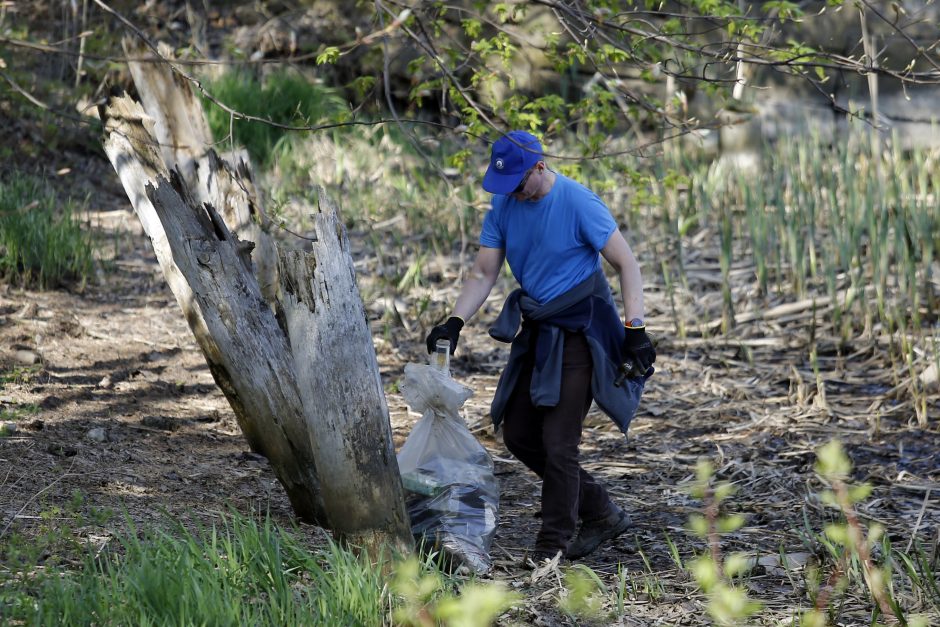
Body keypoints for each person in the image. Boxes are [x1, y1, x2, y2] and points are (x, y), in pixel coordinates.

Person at [425, 130, 655, 563]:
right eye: (505, 184)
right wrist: (454, 321)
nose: (512, 191)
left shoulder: (577, 202)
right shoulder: (504, 205)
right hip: (538, 330)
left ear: (539, 166)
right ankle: (600, 510)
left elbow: (627, 262)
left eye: (518, 181)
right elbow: (483, 272)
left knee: (558, 440)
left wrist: (635, 328)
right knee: (520, 434)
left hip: (581, 331)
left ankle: (552, 546)